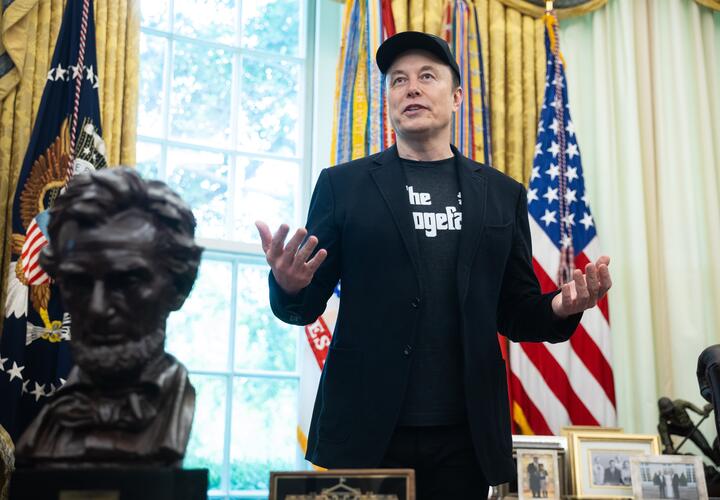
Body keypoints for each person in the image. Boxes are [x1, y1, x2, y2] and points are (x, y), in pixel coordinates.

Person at [258, 31, 612, 499]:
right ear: (388, 100)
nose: (411, 88)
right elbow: (304, 305)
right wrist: (288, 285)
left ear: (457, 97)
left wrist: (560, 308)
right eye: (398, 80)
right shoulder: (343, 186)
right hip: (366, 428)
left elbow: (515, 311)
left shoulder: (501, 194)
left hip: (465, 435)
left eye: (427, 76)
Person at [15, 168, 203, 465]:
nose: (98, 308)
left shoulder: (174, 412)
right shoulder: (40, 431)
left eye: (126, 282)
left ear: (179, 288)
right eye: (79, 282)